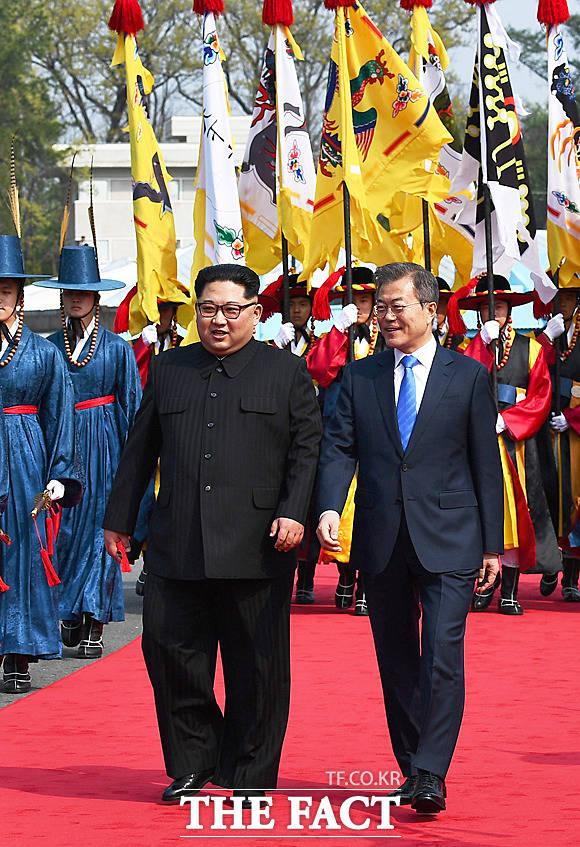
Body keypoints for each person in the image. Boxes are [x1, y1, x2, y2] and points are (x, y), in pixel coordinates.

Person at [102, 264, 321, 805]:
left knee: (258, 667)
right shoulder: (172, 368)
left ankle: (249, 773)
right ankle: (194, 763)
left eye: (230, 310)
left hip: (259, 544)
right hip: (178, 540)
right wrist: (119, 520)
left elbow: (306, 450)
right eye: (208, 308)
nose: (218, 320)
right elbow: (140, 449)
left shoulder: (286, 372)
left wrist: (295, 512)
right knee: (171, 657)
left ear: (256, 313)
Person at [317, 262, 503, 815]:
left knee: (442, 654)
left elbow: (483, 465)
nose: (388, 316)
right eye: (382, 306)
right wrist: (329, 505)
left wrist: (492, 545)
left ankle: (430, 771)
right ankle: (412, 761)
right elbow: (338, 448)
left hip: (451, 537)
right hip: (382, 539)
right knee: (395, 658)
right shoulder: (360, 377)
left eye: (399, 305)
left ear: (430, 310)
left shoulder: (466, 376)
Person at [34, 245, 141, 658]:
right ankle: (68, 608)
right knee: (61, 532)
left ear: (97, 297)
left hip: (106, 446)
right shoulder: (48, 347)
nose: (75, 298)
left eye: (83, 291)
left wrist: (134, 462)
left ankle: (95, 619)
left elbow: (131, 406)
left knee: (103, 532)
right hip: (60, 444)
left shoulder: (116, 348)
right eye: (68, 292)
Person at [0, 233, 83, 693]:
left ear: (20, 296)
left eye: (6, 290)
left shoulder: (44, 353)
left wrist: (59, 476)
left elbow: (60, 418)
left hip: (26, 461)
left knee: (24, 556)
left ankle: (18, 652)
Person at [458, 275, 559, 614]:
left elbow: (542, 395)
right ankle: (484, 582)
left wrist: (510, 420)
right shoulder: (466, 349)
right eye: (487, 309)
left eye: (498, 308)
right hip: (477, 439)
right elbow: (457, 386)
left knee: (516, 514)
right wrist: (480, 347)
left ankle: (511, 590)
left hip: (516, 443)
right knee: (478, 511)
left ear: (509, 312)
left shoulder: (530, 348)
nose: (493, 314)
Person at [307, 265, 385, 615]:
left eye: (368, 299)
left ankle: (367, 583)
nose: (363, 305)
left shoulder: (386, 337)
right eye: (357, 299)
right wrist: (339, 330)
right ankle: (345, 576)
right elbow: (318, 371)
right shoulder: (334, 338)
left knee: (373, 507)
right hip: (339, 431)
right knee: (341, 508)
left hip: (380, 432)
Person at [114, 284, 192, 595]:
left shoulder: (186, 345)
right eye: (153, 310)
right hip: (145, 430)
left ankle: (159, 562)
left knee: (172, 499)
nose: (159, 316)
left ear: (173, 313)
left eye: (164, 309)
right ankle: (147, 557)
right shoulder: (133, 346)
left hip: (177, 429)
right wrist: (142, 348)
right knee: (145, 499)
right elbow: (128, 382)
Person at [258, 274, 320, 603]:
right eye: (291, 305)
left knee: (307, 505)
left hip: (311, 427)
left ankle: (307, 578)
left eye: (302, 304)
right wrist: (278, 348)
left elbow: (323, 370)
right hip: (277, 431)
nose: (297, 310)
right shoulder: (271, 345)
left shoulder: (322, 340)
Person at [535, 280, 580, 600]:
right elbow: (532, 368)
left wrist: (575, 418)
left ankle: (571, 578)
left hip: (574, 429)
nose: (560, 302)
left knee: (574, 499)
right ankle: (552, 562)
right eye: (558, 296)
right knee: (548, 496)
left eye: (566, 296)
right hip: (545, 425)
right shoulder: (553, 333)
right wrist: (547, 338)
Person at [433, 277, 468, 352]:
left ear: (447, 306)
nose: (433, 309)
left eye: (438, 303)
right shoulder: (412, 340)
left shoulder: (461, 342)